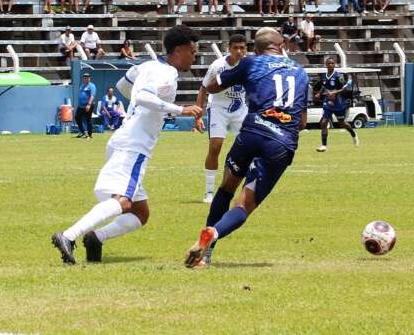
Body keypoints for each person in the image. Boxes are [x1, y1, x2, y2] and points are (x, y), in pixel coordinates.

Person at [51, 26, 202, 264]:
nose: (195, 57)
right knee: (123, 201)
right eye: (192, 52)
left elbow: (123, 85)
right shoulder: (168, 73)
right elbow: (141, 96)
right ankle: (68, 236)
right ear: (179, 49)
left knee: (140, 213)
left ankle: (96, 238)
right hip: (135, 144)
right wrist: (180, 109)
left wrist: (142, 109)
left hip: (125, 138)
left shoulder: (146, 66)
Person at [185, 27, 308, 268]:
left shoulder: (250, 63)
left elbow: (211, 86)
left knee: (226, 190)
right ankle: (214, 233)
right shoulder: (301, 72)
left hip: (251, 133)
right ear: (281, 46)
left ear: (256, 48)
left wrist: (232, 73)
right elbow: (302, 121)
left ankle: (207, 254)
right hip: (280, 143)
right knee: (243, 206)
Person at [198, 34, 249, 204]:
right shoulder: (218, 66)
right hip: (218, 108)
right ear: (229, 48)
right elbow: (203, 88)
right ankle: (209, 192)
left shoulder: (249, 65)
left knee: (248, 148)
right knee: (215, 147)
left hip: (240, 109)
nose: (239, 51)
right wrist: (198, 115)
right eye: (236, 48)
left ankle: (247, 188)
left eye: (242, 48)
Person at [315, 57, 360, 152]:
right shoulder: (324, 76)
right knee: (323, 122)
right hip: (328, 102)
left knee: (342, 123)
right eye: (329, 63)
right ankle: (324, 145)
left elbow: (345, 88)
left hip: (339, 103)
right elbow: (324, 86)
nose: (331, 65)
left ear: (334, 65)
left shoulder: (338, 76)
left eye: (333, 63)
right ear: (326, 65)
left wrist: (335, 93)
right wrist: (319, 93)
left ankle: (353, 134)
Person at [74, 72, 97, 139]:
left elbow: (92, 96)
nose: (86, 78)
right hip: (81, 106)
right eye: (85, 77)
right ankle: (82, 132)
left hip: (88, 105)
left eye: (87, 77)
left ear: (89, 78)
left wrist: (89, 104)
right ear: (83, 78)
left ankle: (89, 134)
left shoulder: (92, 86)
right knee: (77, 118)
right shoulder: (82, 86)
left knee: (88, 120)